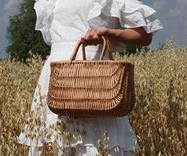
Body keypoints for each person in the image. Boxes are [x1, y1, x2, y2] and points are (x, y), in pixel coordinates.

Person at [18, 0, 163, 155]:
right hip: (57, 76)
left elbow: (144, 35)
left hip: (96, 76)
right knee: (54, 141)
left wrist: (108, 33)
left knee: (96, 143)